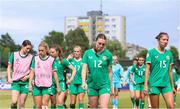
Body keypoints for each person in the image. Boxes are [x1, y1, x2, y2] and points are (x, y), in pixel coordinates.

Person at [144, 32, 176, 108]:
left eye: (167, 40)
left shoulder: (169, 54)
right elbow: (147, 69)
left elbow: (170, 71)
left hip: (166, 84)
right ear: (158, 40)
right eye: (164, 39)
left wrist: (172, 86)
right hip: (154, 84)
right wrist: (145, 85)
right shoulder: (151, 52)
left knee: (171, 107)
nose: (166, 41)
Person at [81, 33, 112, 108]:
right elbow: (84, 68)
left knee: (104, 107)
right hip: (92, 85)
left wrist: (110, 85)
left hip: (104, 85)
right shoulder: (87, 53)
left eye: (103, 44)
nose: (101, 46)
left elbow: (110, 71)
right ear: (95, 41)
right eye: (99, 43)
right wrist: (83, 81)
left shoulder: (108, 54)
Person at [29, 42, 60, 109]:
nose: (40, 52)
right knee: (38, 106)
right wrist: (30, 84)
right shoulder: (35, 59)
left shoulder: (51, 60)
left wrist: (58, 86)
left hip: (48, 85)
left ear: (46, 50)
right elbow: (32, 72)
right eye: (39, 50)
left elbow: (55, 73)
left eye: (42, 50)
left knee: (44, 104)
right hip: (37, 85)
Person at [7, 40, 33, 109]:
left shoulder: (31, 57)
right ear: (22, 46)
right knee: (14, 102)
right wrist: (9, 78)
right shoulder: (14, 54)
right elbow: (9, 67)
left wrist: (27, 77)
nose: (28, 50)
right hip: (16, 82)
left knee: (22, 104)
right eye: (27, 48)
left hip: (25, 83)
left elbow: (33, 71)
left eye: (29, 49)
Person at [50, 44, 76, 109]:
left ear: (58, 52)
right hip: (51, 84)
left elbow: (74, 69)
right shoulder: (49, 60)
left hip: (61, 83)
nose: (51, 54)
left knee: (60, 102)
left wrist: (71, 79)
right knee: (53, 103)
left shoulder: (63, 61)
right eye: (50, 52)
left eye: (52, 52)